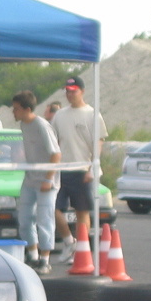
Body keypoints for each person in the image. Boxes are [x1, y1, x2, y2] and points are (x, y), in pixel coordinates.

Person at [51, 76, 108, 263]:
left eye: (73, 90)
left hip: (83, 168)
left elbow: (98, 142)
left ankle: (82, 250)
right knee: (54, 208)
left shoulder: (93, 114)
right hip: (62, 169)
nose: (70, 94)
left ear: (82, 91)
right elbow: (54, 141)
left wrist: (94, 166)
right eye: (67, 91)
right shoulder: (59, 115)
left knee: (81, 211)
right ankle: (70, 242)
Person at [11, 91, 61, 274]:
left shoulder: (42, 125)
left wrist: (48, 179)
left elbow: (56, 154)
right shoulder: (24, 125)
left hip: (46, 181)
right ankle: (32, 254)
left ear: (27, 109)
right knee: (24, 217)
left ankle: (45, 259)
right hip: (30, 178)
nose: (13, 112)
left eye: (16, 109)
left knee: (45, 219)